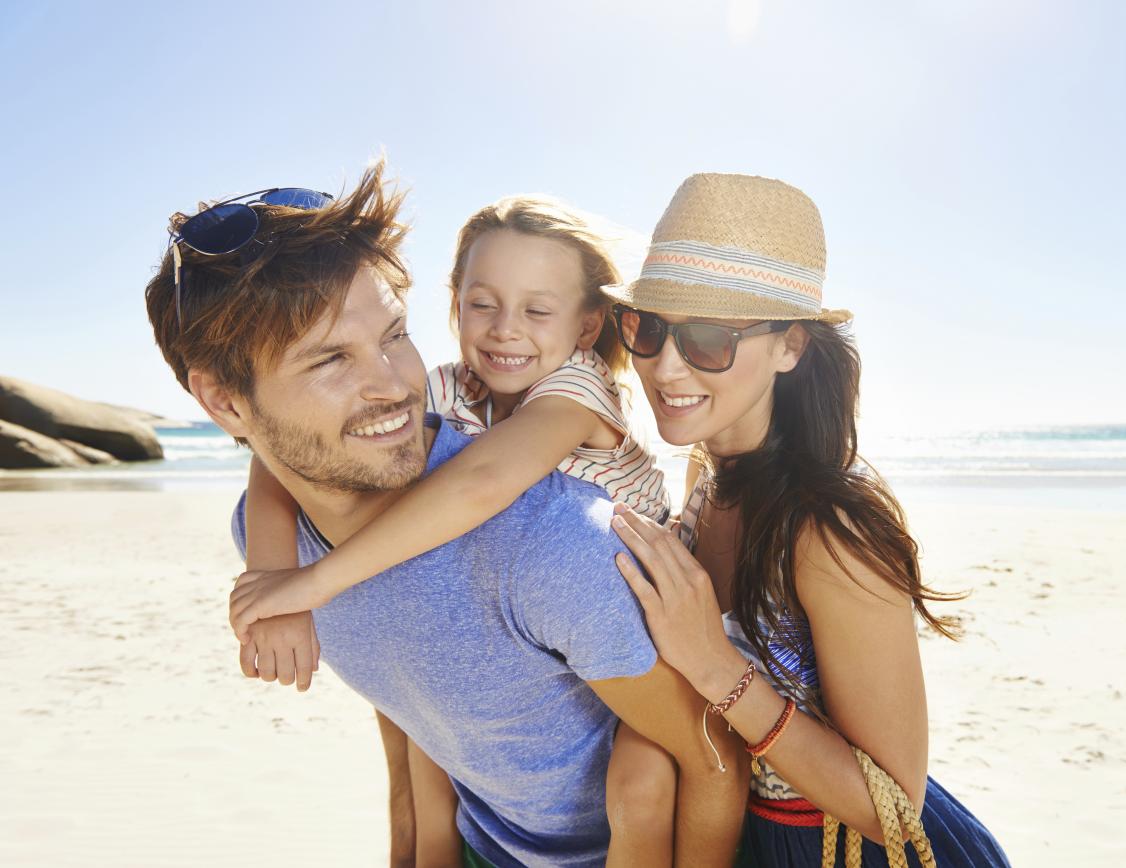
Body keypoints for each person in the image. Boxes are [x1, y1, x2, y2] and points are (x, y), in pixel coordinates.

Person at [143, 163, 747, 867]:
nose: (393, 383)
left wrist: (307, 585)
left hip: (651, 626)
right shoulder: (443, 401)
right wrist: (270, 569)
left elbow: (482, 483)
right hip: (486, 841)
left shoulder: (557, 524)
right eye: (333, 358)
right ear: (223, 402)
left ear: (586, 325)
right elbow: (410, 717)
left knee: (639, 782)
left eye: (395, 335)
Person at [602, 173, 1012, 866]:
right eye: (650, 328)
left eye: (708, 338)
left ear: (791, 347)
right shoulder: (704, 477)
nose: (665, 367)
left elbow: (895, 808)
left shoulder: (831, 530)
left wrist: (715, 666)